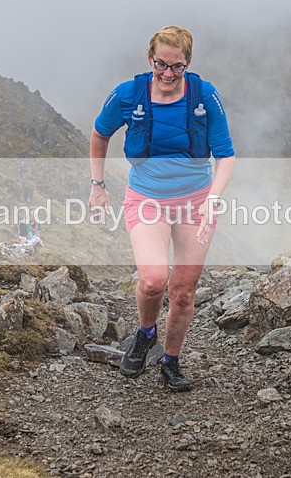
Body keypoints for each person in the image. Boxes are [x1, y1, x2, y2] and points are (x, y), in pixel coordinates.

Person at [89, 25, 235, 391]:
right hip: (147, 199)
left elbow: (226, 155)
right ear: (150, 59)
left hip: (196, 202)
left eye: (177, 66)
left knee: (183, 290)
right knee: (153, 281)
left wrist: (213, 199)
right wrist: (98, 186)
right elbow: (100, 133)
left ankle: (171, 361)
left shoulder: (205, 95)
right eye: (161, 64)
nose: (168, 74)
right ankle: (145, 332)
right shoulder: (127, 94)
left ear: (188, 64)